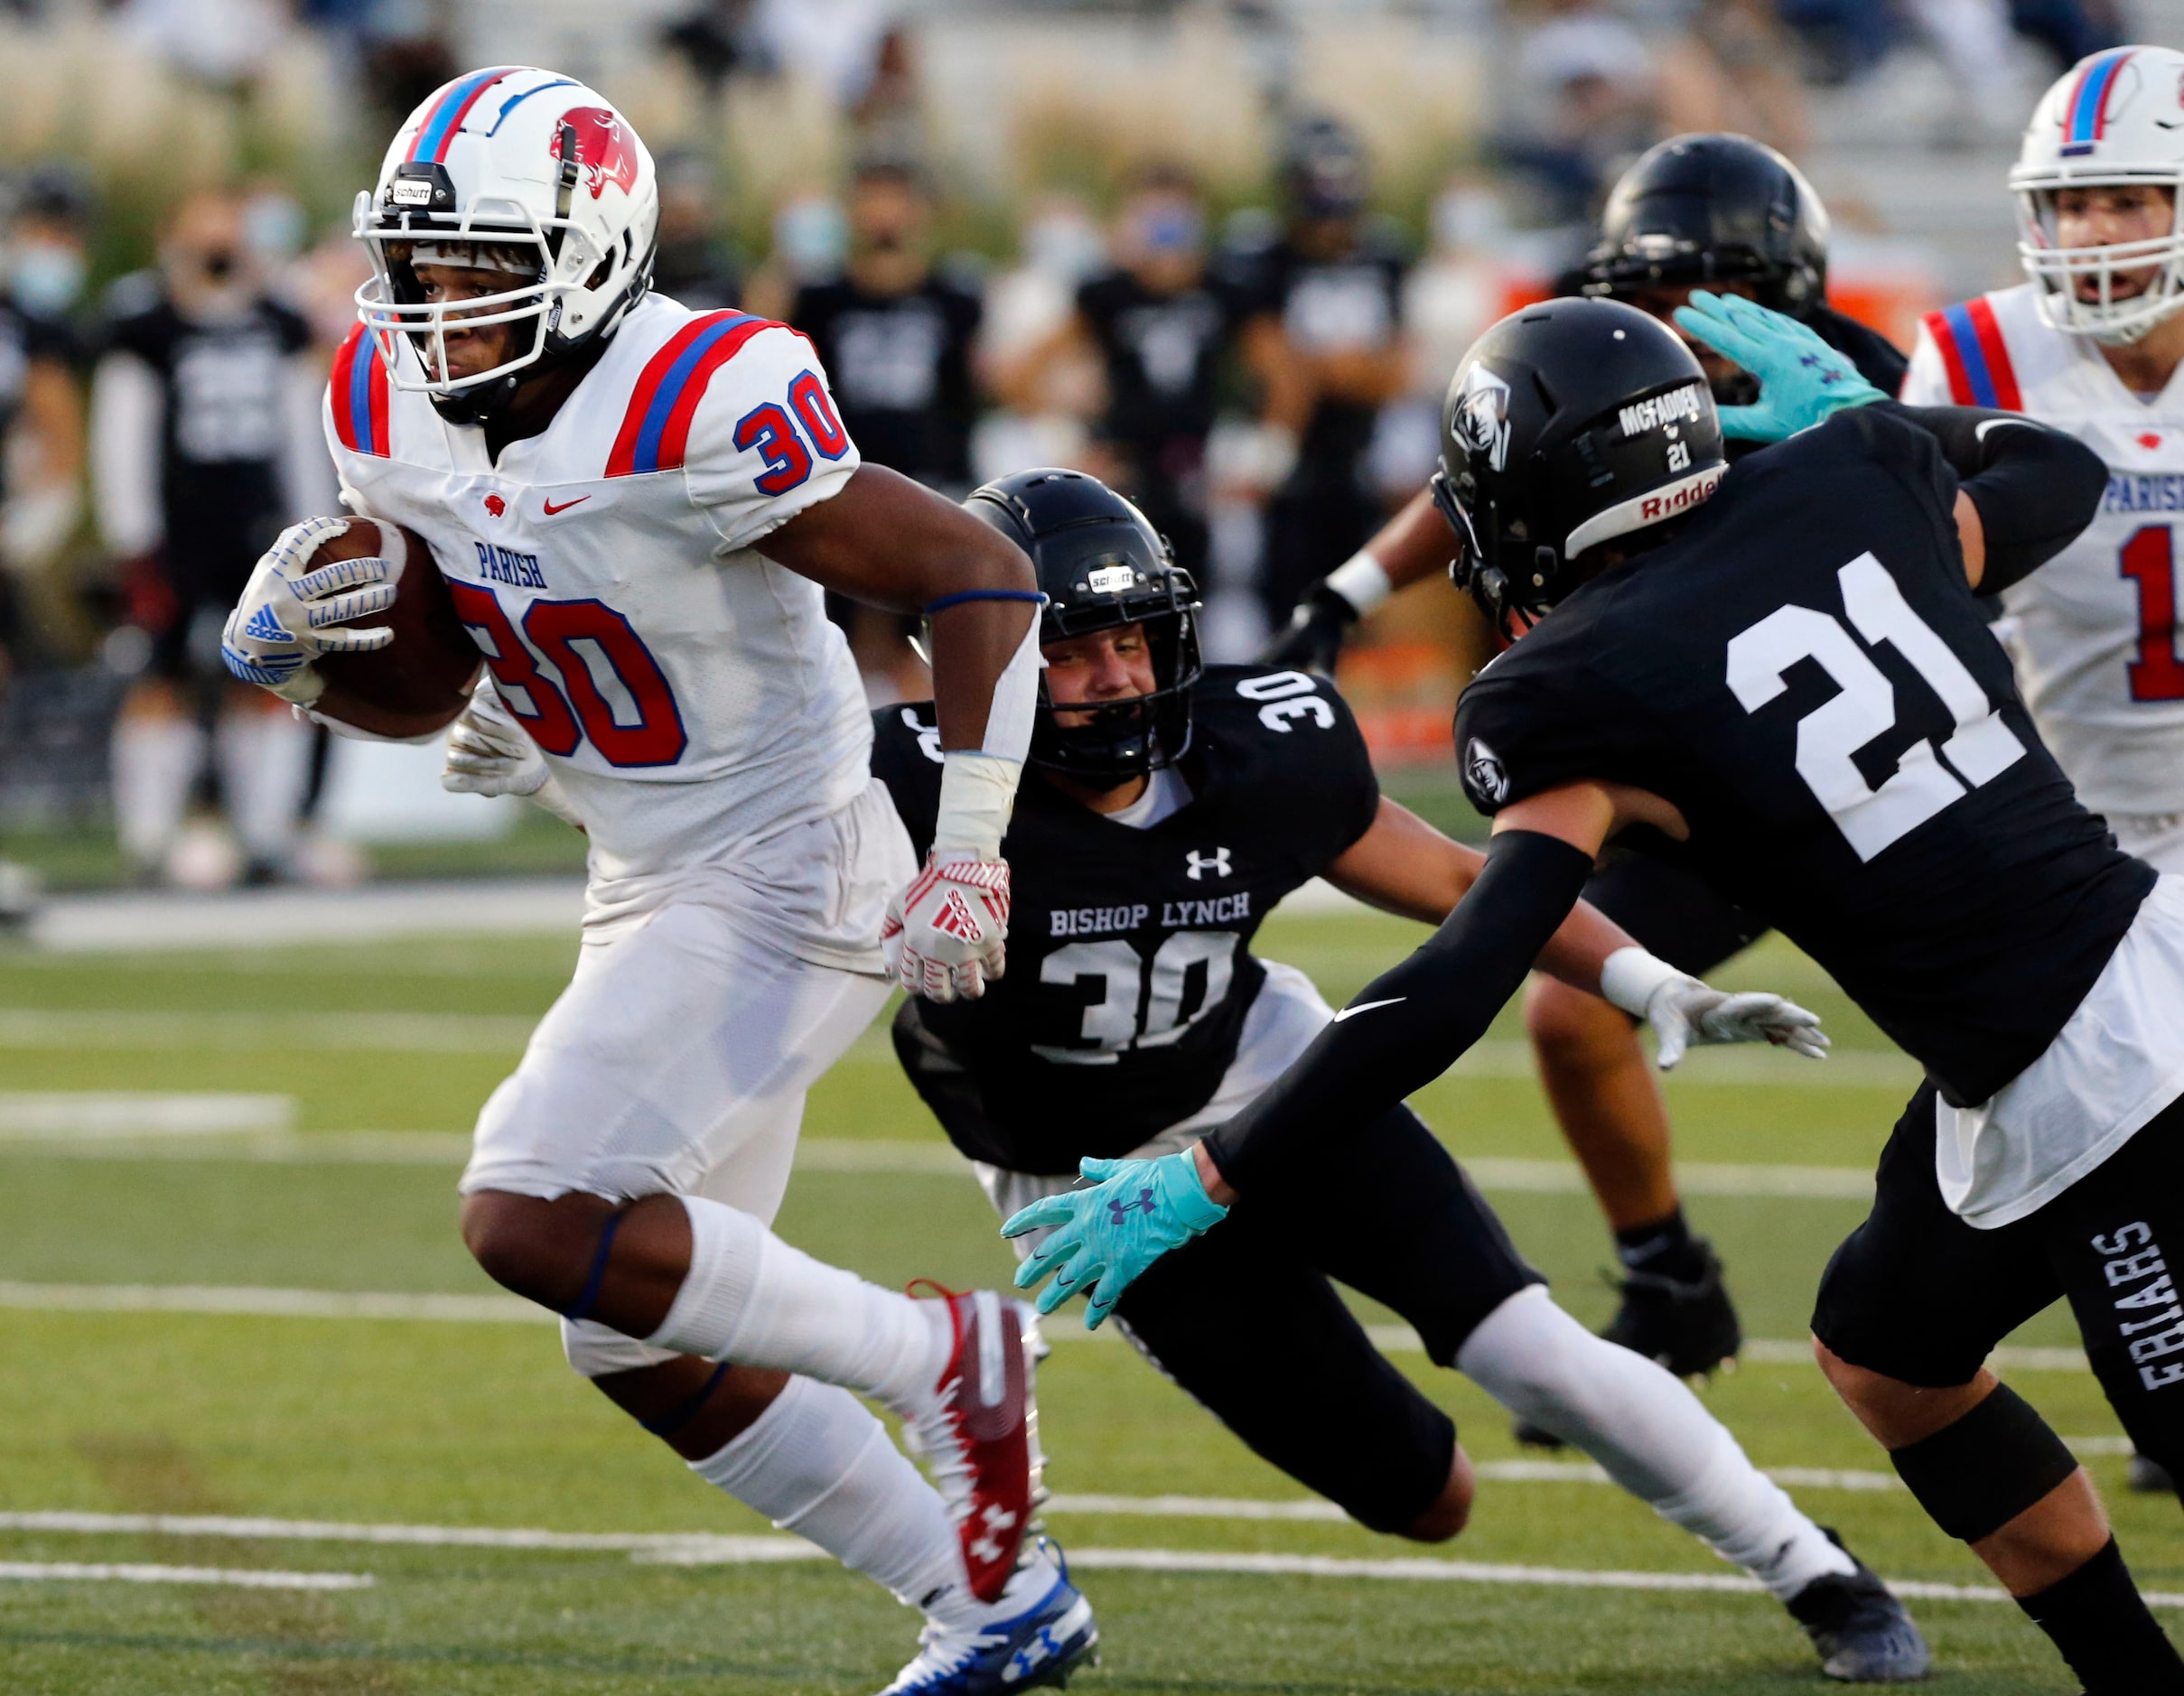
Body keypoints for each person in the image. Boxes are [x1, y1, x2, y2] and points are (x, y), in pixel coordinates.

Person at [1020, 293, 2184, 1696]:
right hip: (2089, 1002)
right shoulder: (1852, 478)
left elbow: (1461, 975)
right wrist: (1872, 421)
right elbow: (2047, 472)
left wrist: (1212, 1170)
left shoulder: (1566, 686)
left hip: (2101, 1079)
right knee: (1886, 1348)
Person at [217, 70, 1093, 1695]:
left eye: (478, 265)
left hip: (789, 852)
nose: (437, 303)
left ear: (592, 245)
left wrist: (968, 849)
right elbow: (419, 685)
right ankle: (994, 1600)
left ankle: (940, 1354)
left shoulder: (696, 390)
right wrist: (315, 671)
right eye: (418, 263)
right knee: (626, 1326)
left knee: (526, 1204)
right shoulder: (378, 394)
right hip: (644, 865)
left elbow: (977, 571)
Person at [873, 467, 1928, 1682]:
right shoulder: (901, 795)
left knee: (1531, 1349)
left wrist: (1646, 980)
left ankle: (1817, 1570)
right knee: (1426, 1499)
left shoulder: (1253, 746)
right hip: (1094, 1185)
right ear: (985, 661)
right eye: (1069, 651)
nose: (1115, 675)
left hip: (1271, 1086)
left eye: (1131, 637)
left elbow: (1464, 882)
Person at [1265, 134, 1909, 1398]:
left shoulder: (1861, 386)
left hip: (1860, 766)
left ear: (1786, 290)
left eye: (1704, 291)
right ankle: (1667, 1276)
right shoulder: (1612, 364)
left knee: (1990, 1036)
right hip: (1686, 770)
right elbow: (1490, 467)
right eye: (1650, 292)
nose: (1668, 322)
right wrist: (1343, 592)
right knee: (1568, 1002)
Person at [1903, 44, 2184, 1495]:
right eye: (2067, 206)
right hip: (2073, 840)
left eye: (2128, 196)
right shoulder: (1971, 353)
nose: (2093, 237)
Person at [92, 186, 328, 887]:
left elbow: (301, 431)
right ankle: (150, 836)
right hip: (176, 526)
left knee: (264, 674)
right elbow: (121, 432)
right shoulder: (146, 325)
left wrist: (314, 524)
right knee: (161, 675)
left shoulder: (280, 320)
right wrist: (132, 532)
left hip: (258, 523)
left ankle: (266, 832)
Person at [791, 154, 985, 699]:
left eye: (895, 200)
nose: (885, 216)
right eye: (872, 200)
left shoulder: (953, 297)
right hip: (844, 481)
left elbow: (968, 393)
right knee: (842, 641)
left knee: (922, 645)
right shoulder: (821, 298)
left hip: (928, 480)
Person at [997, 164, 1240, 582]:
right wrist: (1064, 438)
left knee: (1204, 593)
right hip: (1127, 468)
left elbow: (1285, 369)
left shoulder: (1221, 291)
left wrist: (1266, 452)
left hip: (1202, 472)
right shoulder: (1108, 294)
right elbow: (1018, 372)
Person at [1229, 115, 1412, 629]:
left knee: (1358, 614)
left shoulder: (1384, 255)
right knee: (1279, 608)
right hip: (1285, 462)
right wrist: (1344, 369)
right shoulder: (1264, 257)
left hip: (1360, 460)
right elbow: (1275, 367)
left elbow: (1397, 371)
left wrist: (1325, 369)